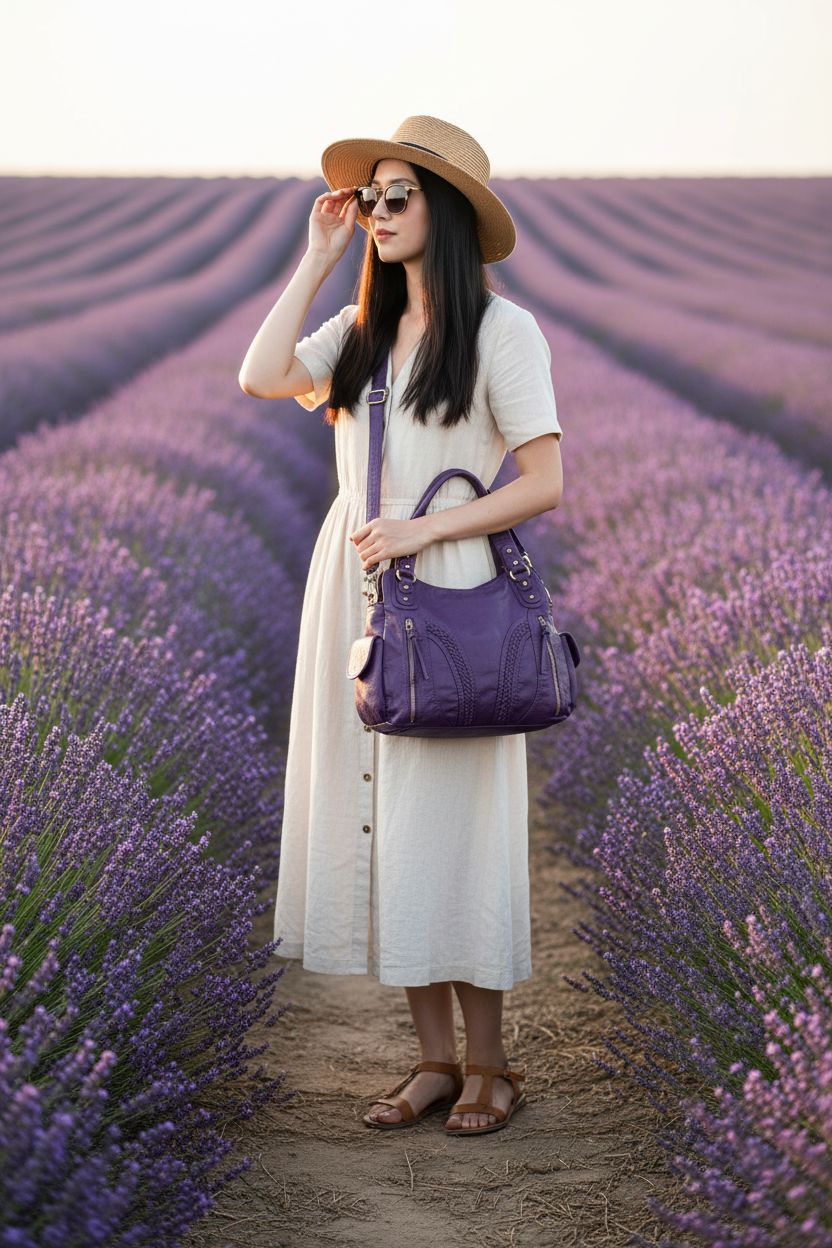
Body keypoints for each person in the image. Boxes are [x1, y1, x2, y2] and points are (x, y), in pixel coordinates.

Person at [238, 116, 563, 1136]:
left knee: (453, 823)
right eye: (368, 196)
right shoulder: (361, 334)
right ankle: (429, 1058)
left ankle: (490, 1066)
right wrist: (317, 255)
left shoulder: (503, 333)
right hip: (360, 585)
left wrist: (429, 527)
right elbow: (259, 374)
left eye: (394, 197)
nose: (375, 211)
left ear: (448, 214)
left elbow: (544, 481)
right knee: (386, 824)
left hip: (450, 586)